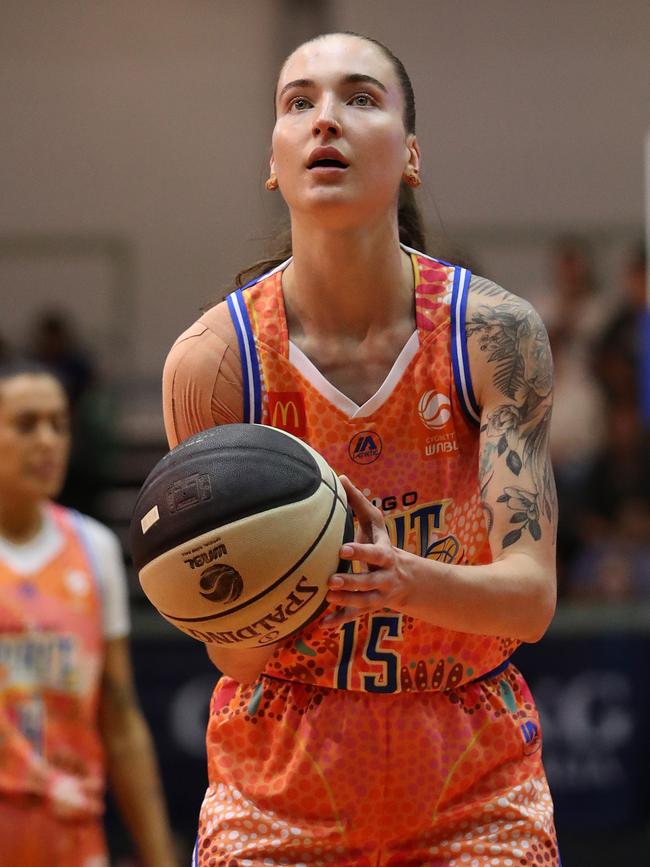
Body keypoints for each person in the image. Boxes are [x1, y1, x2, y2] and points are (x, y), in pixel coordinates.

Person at [163, 32, 559, 866]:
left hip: (469, 763)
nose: (326, 120)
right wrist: (277, 581)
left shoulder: (493, 333)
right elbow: (229, 648)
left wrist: (404, 581)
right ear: (273, 161)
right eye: (298, 102)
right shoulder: (214, 361)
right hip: (283, 767)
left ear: (411, 154)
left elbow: (529, 599)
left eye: (360, 98)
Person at [0, 360, 178, 867]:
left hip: (70, 831)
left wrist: (158, 853)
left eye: (59, 425)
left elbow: (119, 719)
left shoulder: (93, 546)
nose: (48, 441)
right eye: (27, 424)